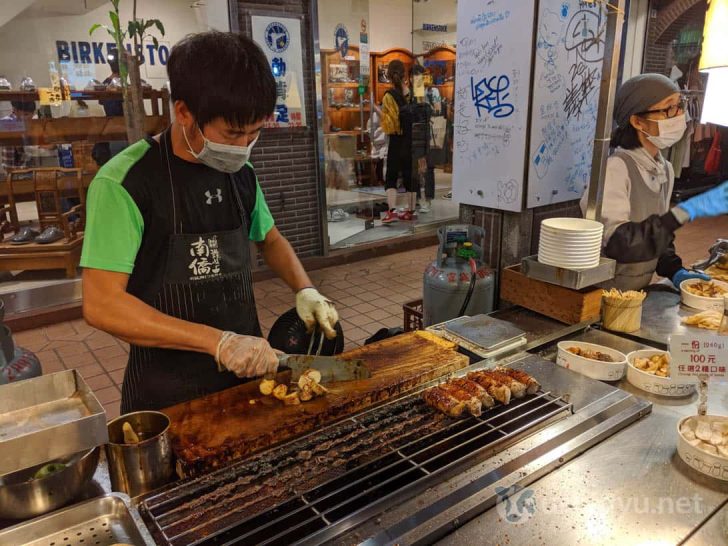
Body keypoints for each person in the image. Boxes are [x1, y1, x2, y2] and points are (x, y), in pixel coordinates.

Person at [80, 31, 339, 413]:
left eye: (254, 133)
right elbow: (102, 304)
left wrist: (306, 289)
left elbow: (269, 239)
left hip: (246, 379)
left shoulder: (241, 173)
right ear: (183, 112)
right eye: (232, 133)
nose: (242, 146)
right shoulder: (124, 182)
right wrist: (217, 342)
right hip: (167, 396)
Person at [580, 73, 728, 290]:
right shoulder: (616, 169)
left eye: (680, 105)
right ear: (638, 121)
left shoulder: (664, 169)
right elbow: (618, 243)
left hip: (638, 292)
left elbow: (659, 238)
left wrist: (675, 270)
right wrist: (683, 212)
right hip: (602, 291)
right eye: (668, 109)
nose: (679, 115)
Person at [381, 60, 415, 224]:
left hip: (396, 140)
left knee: (391, 176)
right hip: (411, 140)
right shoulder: (412, 94)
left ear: (389, 75)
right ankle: (410, 210)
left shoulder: (388, 96)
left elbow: (390, 124)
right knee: (410, 175)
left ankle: (392, 211)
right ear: (404, 75)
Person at [0, 101, 36, 173]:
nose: (30, 117)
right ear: (14, 110)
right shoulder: (7, 124)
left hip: (28, 168)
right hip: (17, 173)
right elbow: (9, 165)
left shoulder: (25, 122)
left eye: (32, 114)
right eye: (26, 114)